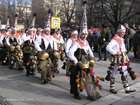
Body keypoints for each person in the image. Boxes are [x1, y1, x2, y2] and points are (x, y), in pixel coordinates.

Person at [106, 24, 136, 94]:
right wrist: (115, 53)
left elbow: (122, 46)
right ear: (118, 32)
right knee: (115, 73)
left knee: (124, 72)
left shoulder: (121, 39)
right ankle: (112, 87)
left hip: (123, 58)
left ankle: (127, 88)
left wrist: (124, 50)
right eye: (122, 32)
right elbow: (108, 47)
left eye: (124, 32)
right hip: (117, 59)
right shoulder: (115, 39)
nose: (123, 33)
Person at [68, 29, 94, 100]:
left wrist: (92, 58)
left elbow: (90, 52)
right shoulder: (76, 43)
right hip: (78, 63)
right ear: (80, 34)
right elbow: (70, 52)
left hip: (86, 62)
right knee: (77, 78)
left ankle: (91, 93)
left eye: (85, 34)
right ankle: (76, 93)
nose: (84, 36)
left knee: (89, 78)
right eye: (83, 34)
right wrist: (75, 60)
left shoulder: (86, 42)